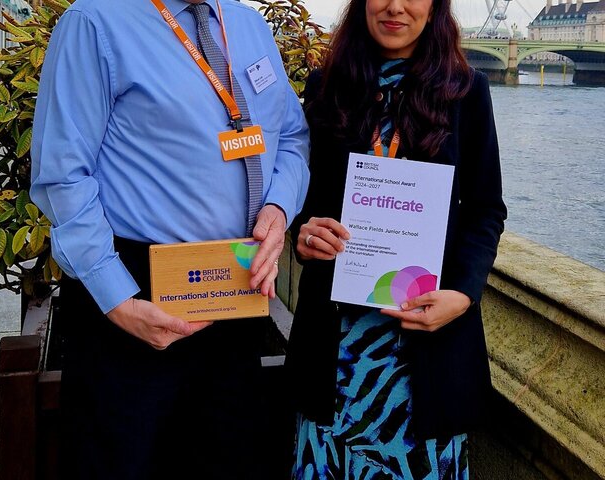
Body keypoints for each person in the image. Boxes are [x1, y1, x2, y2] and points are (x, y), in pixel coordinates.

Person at [30, 0, 309, 478]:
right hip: (134, 292)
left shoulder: (247, 25)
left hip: (234, 287)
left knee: (226, 459)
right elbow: (62, 175)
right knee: (122, 460)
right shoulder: (95, 22)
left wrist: (278, 207)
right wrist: (118, 300)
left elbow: (291, 138)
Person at [285, 0, 507, 477]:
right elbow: (304, 193)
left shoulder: (467, 92)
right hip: (334, 349)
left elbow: (486, 210)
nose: (395, 7)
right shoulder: (327, 88)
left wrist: (464, 295)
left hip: (425, 356)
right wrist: (303, 231)